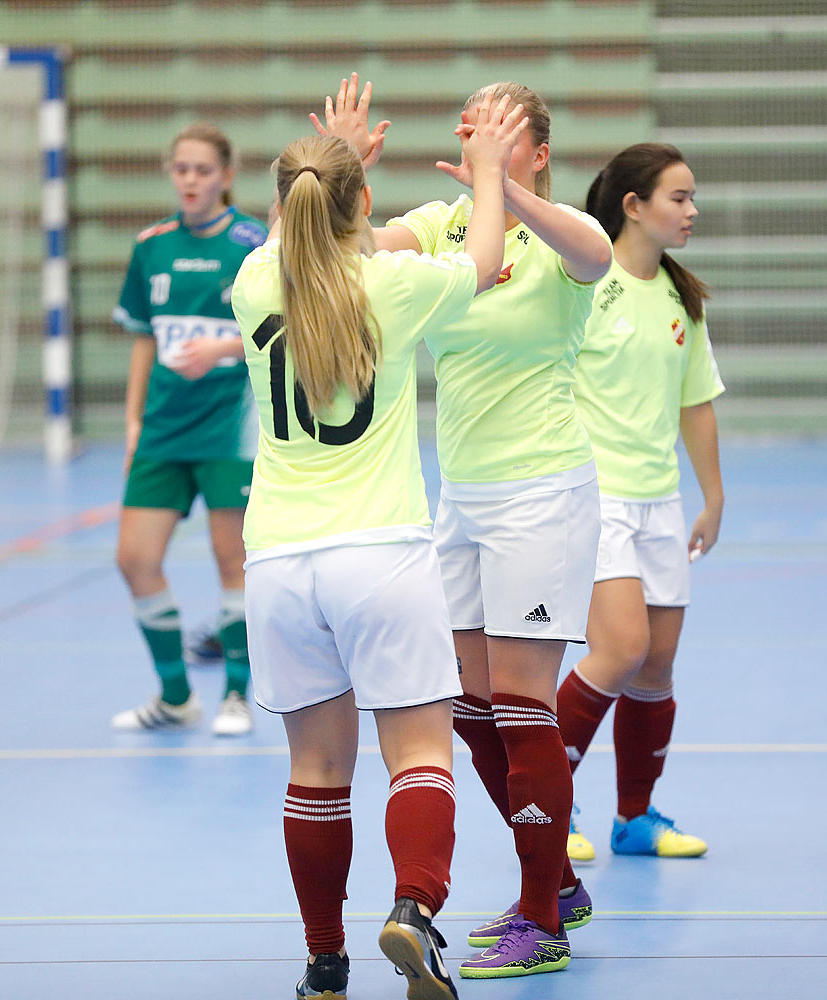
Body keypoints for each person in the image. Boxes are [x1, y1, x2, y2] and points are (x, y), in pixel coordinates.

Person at [318, 75, 613, 978]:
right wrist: (341, 173)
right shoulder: (447, 223)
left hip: (542, 496)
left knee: (524, 706)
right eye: (467, 125)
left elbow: (599, 256)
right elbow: (352, 253)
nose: (475, 137)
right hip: (464, 500)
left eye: (497, 128)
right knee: (469, 707)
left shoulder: (556, 232)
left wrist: (503, 187)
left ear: (539, 148)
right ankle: (555, 878)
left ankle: (540, 922)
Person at [228, 98, 524, 1000]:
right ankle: (414, 913)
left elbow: (308, 232)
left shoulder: (250, 280)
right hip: (381, 553)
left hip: (279, 560)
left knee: (315, 772)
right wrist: (487, 169)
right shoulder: (393, 287)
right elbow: (482, 254)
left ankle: (324, 962)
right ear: (362, 205)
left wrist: (337, 162)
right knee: (420, 754)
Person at [550, 143, 724, 864]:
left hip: (658, 502)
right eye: (677, 198)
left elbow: (696, 401)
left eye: (691, 198)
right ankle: (545, 805)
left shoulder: (682, 298)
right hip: (595, 496)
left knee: (657, 668)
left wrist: (712, 495)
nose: (691, 211)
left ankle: (634, 818)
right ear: (633, 206)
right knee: (619, 651)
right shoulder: (588, 284)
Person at [109, 123, 266, 737]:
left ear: (226, 176)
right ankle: (175, 697)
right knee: (135, 559)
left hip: (230, 429)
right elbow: (145, 339)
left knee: (234, 562)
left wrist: (222, 349)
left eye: (202, 169)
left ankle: (235, 695)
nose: (191, 180)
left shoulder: (253, 242)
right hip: (163, 431)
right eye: (181, 169)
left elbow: (280, 325)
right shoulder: (151, 246)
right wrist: (132, 421)